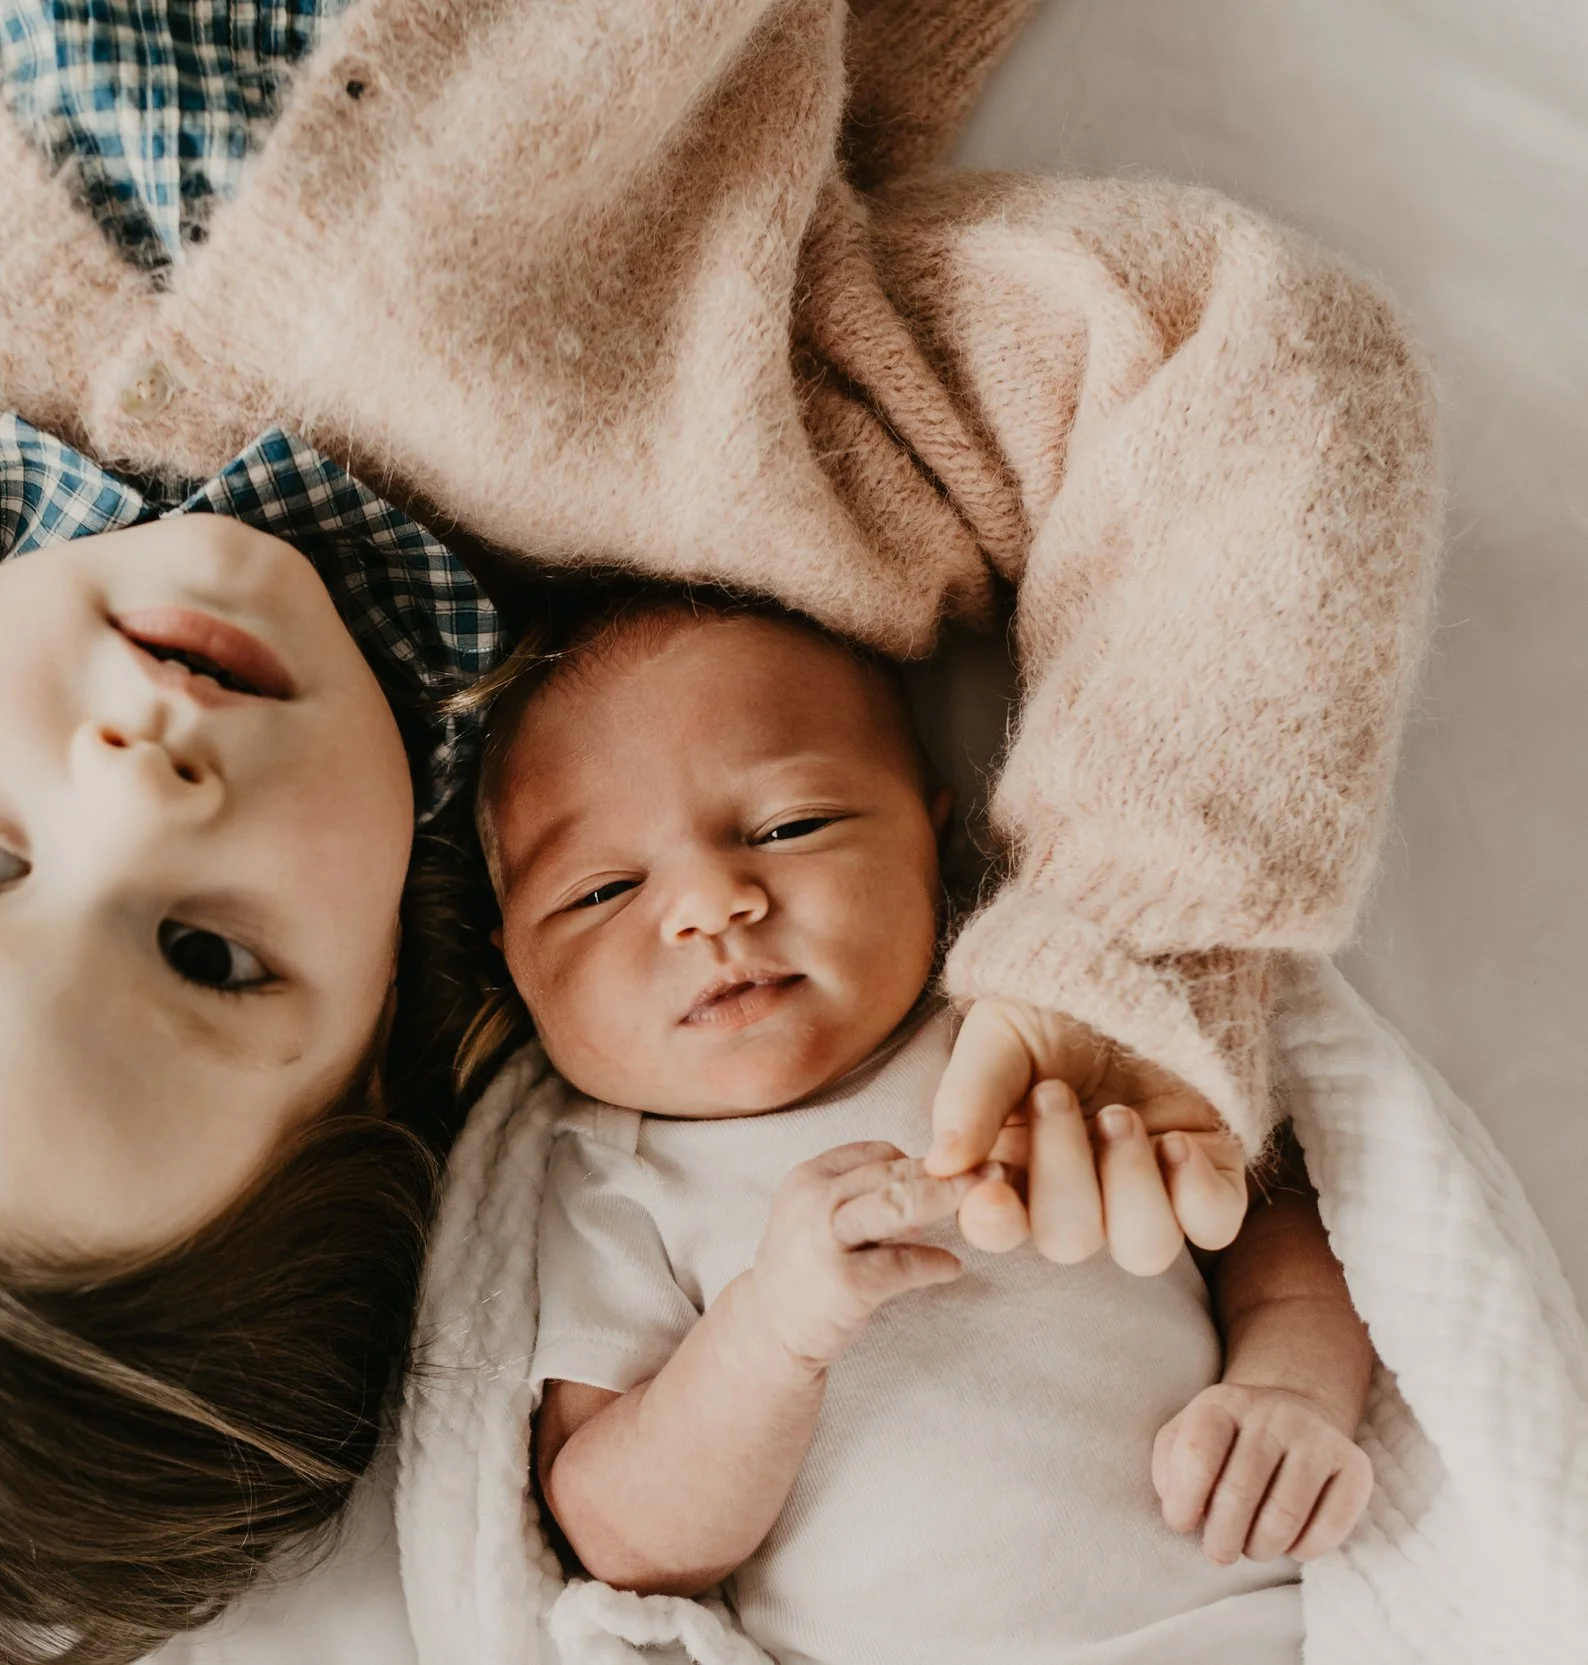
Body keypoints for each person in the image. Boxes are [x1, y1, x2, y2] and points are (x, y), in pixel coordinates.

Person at [0, 3, 1438, 1662]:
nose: (137, 787)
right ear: (402, 1039)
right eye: (214, 958)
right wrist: (1138, 919)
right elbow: (1243, 375)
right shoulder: (730, 514)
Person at [482, 594, 1375, 1662]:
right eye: (601, 891)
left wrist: (1290, 1389)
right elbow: (616, 1531)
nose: (710, 904)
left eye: (789, 827)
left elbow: (1272, 1214)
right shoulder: (611, 1176)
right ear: (510, 963)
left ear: (931, 834)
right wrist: (766, 1335)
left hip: (1240, 1623)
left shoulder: (1033, 1023)